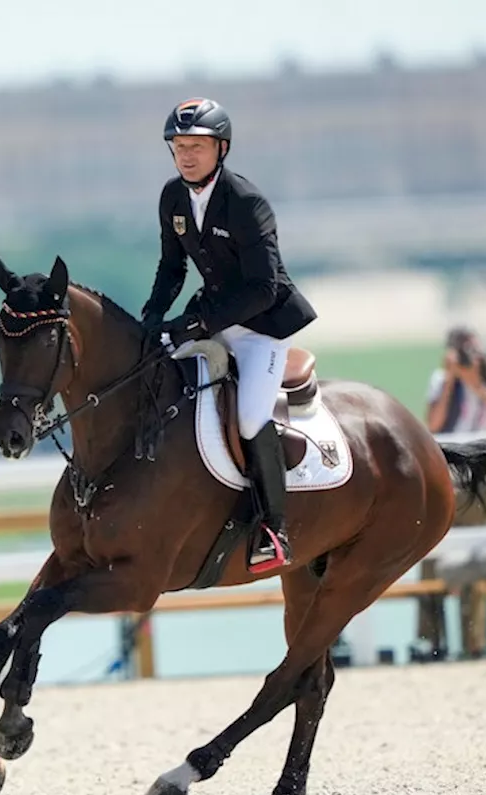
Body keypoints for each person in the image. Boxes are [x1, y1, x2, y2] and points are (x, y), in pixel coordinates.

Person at [140, 97, 317, 567]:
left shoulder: (246, 202)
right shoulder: (172, 198)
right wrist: (152, 319)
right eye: (178, 146)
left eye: (196, 145)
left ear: (221, 148)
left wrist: (197, 324)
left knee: (249, 418)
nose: (186, 155)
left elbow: (265, 287)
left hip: (262, 327)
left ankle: (273, 529)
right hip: (215, 318)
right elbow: (171, 267)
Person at [417, 325, 486, 659]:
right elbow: (433, 423)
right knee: (431, 558)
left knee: (476, 559)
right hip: (446, 476)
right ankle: (432, 641)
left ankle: (474, 642)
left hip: (480, 478)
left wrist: (477, 383)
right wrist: (451, 380)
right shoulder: (441, 380)